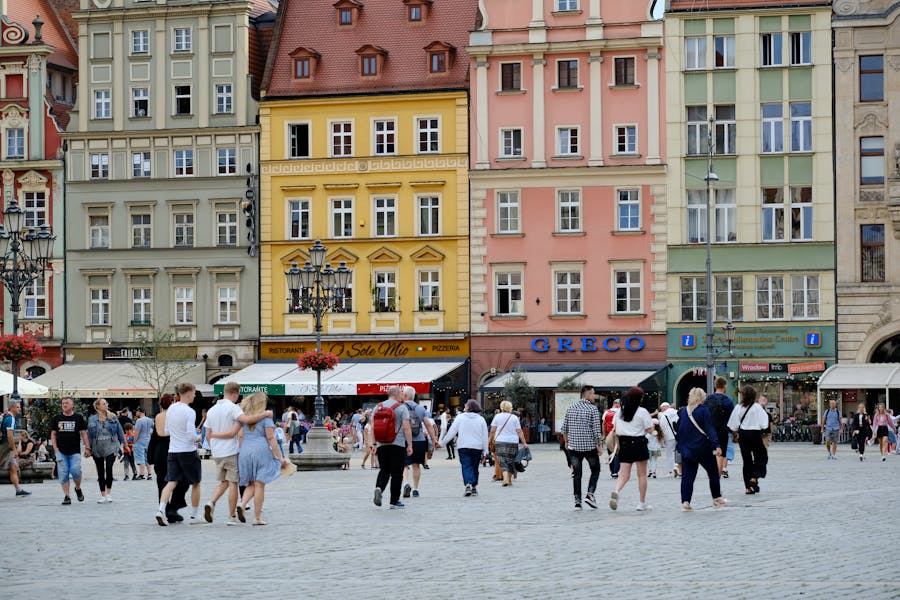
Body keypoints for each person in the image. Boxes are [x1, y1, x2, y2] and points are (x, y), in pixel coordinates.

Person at [202, 381, 272, 525]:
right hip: (230, 450)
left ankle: (211, 502)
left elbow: (207, 434)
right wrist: (265, 414)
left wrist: (213, 445)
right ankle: (231, 516)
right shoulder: (233, 408)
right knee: (233, 483)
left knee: (224, 482)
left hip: (217, 452)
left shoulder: (212, 410)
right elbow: (246, 420)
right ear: (235, 394)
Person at [215, 392, 288, 526]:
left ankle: (242, 504)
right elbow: (271, 439)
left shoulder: (243, 417)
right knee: (260, 484)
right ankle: (257, 517)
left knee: (251, 484)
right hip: (260, 450)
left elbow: (238, 435)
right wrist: (281, 457)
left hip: (245, 451)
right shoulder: (265, 417)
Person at [155, 383, 202, 526]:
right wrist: (199, 437)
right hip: (187, 451)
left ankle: (161, 510)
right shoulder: (189, 411)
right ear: (188, 393)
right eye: (193, 393)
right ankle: (195, 516)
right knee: (195, 482)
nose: (194, 395)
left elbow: (168, 430)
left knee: (171, 482)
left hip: (173, 450)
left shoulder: (171, 409)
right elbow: (190, 436)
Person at [676, 388, 726, 511]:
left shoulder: (683, 411)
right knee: (713, 473)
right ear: (702, 397)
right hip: (703, 448)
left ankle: (685, 502)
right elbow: (710, 429)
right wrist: (717, 445)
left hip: (688, 450)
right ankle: (716, 498)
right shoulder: (704, 411)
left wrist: (681, 447)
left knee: (687, 477)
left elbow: (680, 430)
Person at [609, 387, 653, 512]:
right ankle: (641, 503)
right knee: (642, 474)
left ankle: (616, 490)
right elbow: (649, 429)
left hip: (624, 444)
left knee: (623, 474)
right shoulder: (642, 411)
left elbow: (615, 427)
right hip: (639, 443)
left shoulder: (620, 412)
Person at [559, 385, 603, 510]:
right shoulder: (592, 409)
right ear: (588, 395)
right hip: (589, 447)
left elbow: (564, 428)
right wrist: (599, 446)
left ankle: (577, 501)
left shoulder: (571, 407)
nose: (594, 396)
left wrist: (567, 442)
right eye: (593, 394)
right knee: (595, 470)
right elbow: (596, 430)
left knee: (577, 474)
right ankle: (590, 494)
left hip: (573, 447)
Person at [372, 386, 413, 509]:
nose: (403, 395)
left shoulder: (378, 407)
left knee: (384, 470)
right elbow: (406, 428)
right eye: (401, 393)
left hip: (381, 444)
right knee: (397, 473)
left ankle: (379, 487)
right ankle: (394, 502)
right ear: (396, 394)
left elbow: (373, 427)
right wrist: (410, 444)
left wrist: (374, 444)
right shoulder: (401, 408)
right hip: (397, 444)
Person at [439, 399, 489, 496]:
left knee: (466, 465)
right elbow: (484, 436)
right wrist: (485, 450)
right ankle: (474, 487)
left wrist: (442, 443)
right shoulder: (481, 419)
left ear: (469, 407)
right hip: (477, 446)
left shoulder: (460, 417)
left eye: (466, 405)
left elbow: (452, 432)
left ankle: (468, 485)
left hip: (463, 446)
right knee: (475, 466)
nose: (464, 406)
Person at [151, 393, 189, 523]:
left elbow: (154, 437)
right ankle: (173, 508)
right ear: (172, 403)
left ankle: (165, 509)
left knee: (162, 482)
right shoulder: (174, 415)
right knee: (182, 480)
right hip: (174, 449)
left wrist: (150, 457)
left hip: (160, 451)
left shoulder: (157, 416)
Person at [728, 385, 769, 495]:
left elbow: (732, 425)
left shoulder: (738, 407)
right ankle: (754, 477)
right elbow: (765, 423)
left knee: (747, 461)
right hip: (755, 433)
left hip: (743, 435)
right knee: (761, 456)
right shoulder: (757, 407)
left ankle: (747, 488)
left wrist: (735, 434)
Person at [401, 386, 439, 499]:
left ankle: (406, 483)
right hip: (419, 440)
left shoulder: (400, 408)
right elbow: (428, 424)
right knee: (416, 465)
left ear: (405, 395)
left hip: (404, 440)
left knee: (404, 465)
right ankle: (416, 489)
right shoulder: (420, 409)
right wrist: (433, 439)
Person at [52, 397, 89, 505]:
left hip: (74, 451)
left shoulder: (78, 418)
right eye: (63, 403)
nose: (64, 405)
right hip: (61, 451)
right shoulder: (57, 418)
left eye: (67, 403)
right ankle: (67, 496)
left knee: (76, 470)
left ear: (72, 405)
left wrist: (87, 448)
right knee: (63, 474)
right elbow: (53, 433)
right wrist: (55, 448)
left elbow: (83, 434)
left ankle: (77, 488)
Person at [87, 398, 125, 503]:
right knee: (100, 472)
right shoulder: (92, 419)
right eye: (103, 404)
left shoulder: (112, 417)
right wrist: (88, 448)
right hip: (97, 448)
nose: (106, 405)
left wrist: (124, 444)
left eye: (106, 403)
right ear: (98, 406)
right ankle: (102, 494)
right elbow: (89, 435)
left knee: (109, 469)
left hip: (111, 446)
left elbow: (120, 431)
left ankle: (108, 493)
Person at [489, 400, 528, 487]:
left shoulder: (497, 417)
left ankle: (506, 479)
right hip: (512, 442)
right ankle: (508, 480)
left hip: (500, 441)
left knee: (502, 461)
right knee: (510, 460)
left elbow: (492, 431)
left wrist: (490, 439)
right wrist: (524, 442)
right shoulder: (514, 418)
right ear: (510, 408)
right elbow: (519, 431)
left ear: (501, 407)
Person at [703, 377, 735, 477]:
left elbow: (704, 414)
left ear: (715, 386)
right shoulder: (728, 401)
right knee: (721, 455)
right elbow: (732, 419)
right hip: (723, 431)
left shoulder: (708, 399)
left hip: (710, 430)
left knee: (711, 453)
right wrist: (733, 432)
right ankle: (717, 476)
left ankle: (712, 474)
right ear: (725, 386)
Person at [0, 400, 31, 497]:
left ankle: (18, 490)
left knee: (13, 467)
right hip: (5, 446)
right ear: (12, 407)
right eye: (18, 407)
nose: (19, 409)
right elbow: (9, 435)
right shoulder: (10, 419)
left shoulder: (6, 417)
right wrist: (14, 449)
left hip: (6, 446)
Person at [132, 406, 154, 480]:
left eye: (137, 411)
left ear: (140, 412)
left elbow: (137, 432)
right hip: (148, 441)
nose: (136, 413)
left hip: (140, 441)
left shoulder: (139, 421)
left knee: (140, 458)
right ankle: (150, 474)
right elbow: (154, 429)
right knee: (148, 458)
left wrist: (134, 441)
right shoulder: (150, 420)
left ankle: (141, 474)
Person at [657, 402, 679, 477]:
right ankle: (677, 466)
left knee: (669, 454)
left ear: (664, 407)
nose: (661, 410)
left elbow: (662, 427)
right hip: (678, 436)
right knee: (678, 452)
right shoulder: (677, 413)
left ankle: (670, 470)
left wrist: (661, 438)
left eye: (661, 408)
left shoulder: (664, 415)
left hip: (668, 437)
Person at [602, 398, 621, 478]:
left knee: (610, 452)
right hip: (619, 435)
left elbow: (603, 424)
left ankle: (612, 470)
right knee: (617, 453)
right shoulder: (621, 413)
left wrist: (604, 435)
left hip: (609, 435)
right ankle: (615, 471)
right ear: (618, 404)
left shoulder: (606, 412)